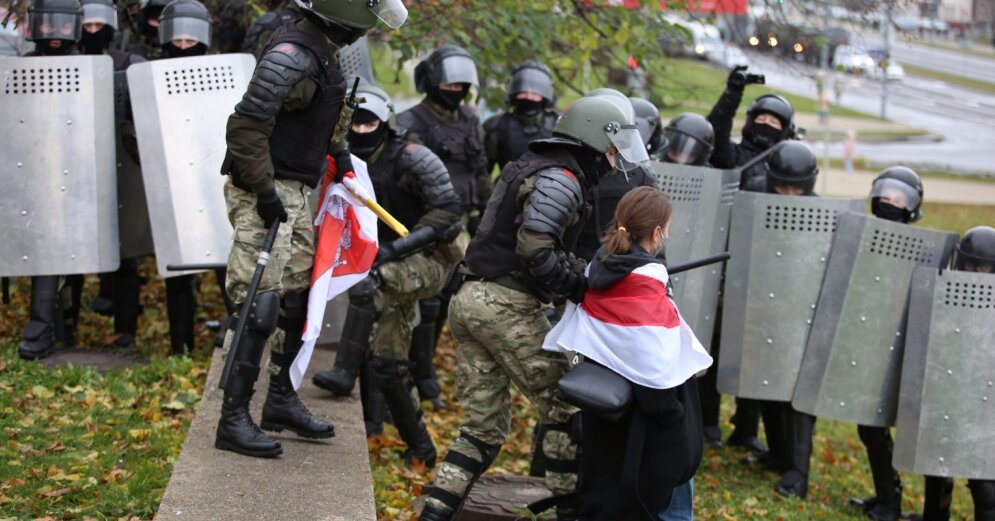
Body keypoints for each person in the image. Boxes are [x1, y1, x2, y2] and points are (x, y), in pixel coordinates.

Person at [419, 94, 649, 521]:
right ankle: (567, 514)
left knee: (481, 430)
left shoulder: (533, 163)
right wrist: (576, 288)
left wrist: (583, 272)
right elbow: (535, 248)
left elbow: (533, 243)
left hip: (470, 300)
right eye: (613, 149)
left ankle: (434, 514)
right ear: (595, 139)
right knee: (567, 410)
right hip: (504, 304)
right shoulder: (561, 177)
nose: (615, 159)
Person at [215, 0, 407, 458]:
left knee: (299, 295)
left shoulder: (324, 50)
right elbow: (244, 128)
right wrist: (263, 192)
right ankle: (232, 419)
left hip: (298, 188)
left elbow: (321, 112)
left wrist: (338, 155)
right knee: (258, 302)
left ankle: (279, 399)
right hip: (266, 187)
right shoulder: (292, 53)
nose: (367, 32)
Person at [311, 84, 462, 466]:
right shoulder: (339, 159)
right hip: (382, 262)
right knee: (388, 363)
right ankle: (422, 448)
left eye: (370, 123)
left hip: (429, 259)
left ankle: (344, 371)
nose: (362, 131)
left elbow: (447, 214)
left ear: (386, 122)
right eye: (355, 125)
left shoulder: (412, 157)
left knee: (368, 285)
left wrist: (395, 250)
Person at [543, 186, 712, 521]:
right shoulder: (642, 281)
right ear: (657, 231)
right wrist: (673, 418)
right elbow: (651, 359)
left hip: (604, 412)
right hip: (645, 422)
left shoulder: (601, 265)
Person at [396, 44, 486, 409]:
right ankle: (411, 376)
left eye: (460, 84)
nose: (454, 89)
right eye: (448, 83)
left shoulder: (470, 120)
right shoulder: (410, 121)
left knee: (447, 297)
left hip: (461, 223)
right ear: (431, 81)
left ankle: (424, 372)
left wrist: (484, 214)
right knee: (424, 302)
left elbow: (478, 170)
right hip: (424, 223)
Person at [846, 166, 925, 521]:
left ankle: (896, 504)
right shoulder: (861, 237)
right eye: (886, 194)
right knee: (869, 425)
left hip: (904, 351)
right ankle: (886, 497)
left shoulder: (921, 250)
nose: (891, 202)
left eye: (899, 198)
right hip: (868, 344)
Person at [17, 0, 86, 361]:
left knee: (76, 251)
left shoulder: (87, 66)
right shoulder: (22, 67)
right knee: (44, 249)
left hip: (79, 169)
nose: (54, 34)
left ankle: (66, 322)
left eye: (62, 26)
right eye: (48, 25)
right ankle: (42, 325)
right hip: (34, 168)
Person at [912, 226, 995, 521]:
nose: (976, 273)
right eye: (971, 265)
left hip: (986, 402)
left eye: (984, 268)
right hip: (946, 390)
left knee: (985, 482)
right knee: (936, 465)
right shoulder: (945, 294)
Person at [80, 0, 147, 349]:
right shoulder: (69, 63)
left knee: (126, 251)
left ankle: (126, 330)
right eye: (86, 26)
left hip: (121, 164)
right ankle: (62, 326)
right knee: (74, 247)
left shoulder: (127, 62)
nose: (93, 32)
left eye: (98, 26)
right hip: (77, 162)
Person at [707, 66, 797, 189]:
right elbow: (718, 128)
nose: (766, 123)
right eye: (761, 119)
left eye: (773, 122)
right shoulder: (732, 155)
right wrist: (732, 93)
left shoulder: (785, 168)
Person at [482, 60, 559, 174]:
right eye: (523, 92)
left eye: (535, 94)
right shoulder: (496, 127)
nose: (529, 97)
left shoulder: (558, 127)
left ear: (544, 97)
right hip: (508, 189)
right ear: (514, 94)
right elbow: (481, 171)